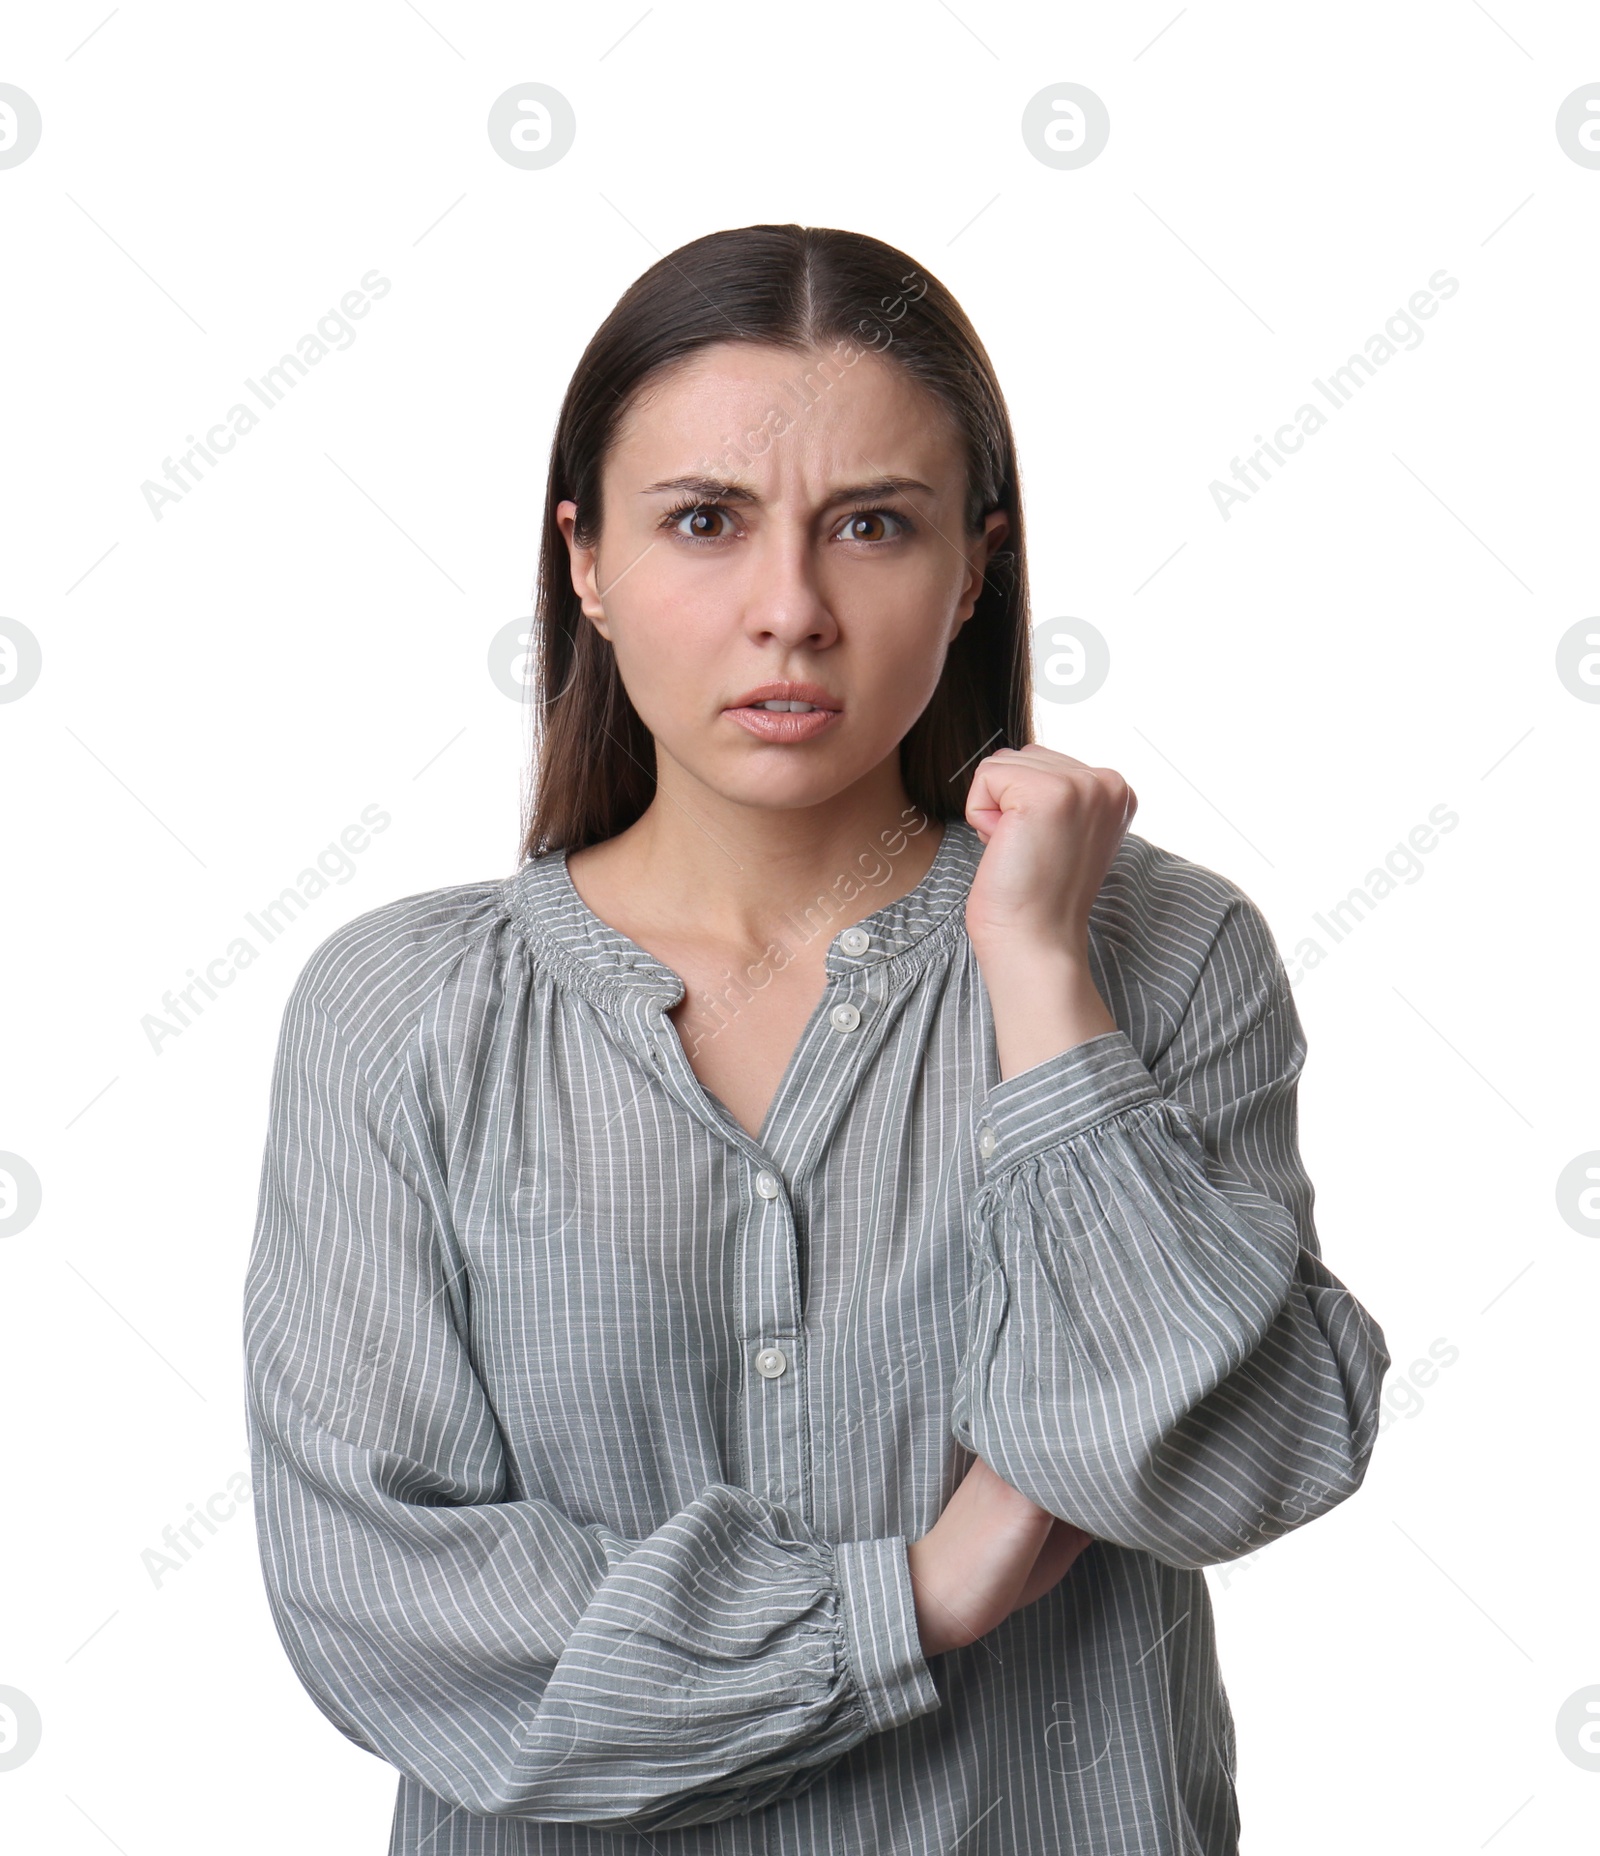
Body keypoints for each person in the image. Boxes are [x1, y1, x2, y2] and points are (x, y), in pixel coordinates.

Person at [242, 223, 1391, 1855]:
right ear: (584, 560)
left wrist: (1043, 983)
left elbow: (1230, 1470)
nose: (792, 610)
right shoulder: (402, 1015)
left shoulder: (1162, 953)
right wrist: (909, 1598)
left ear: (975, 565)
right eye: (704, 522)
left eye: (872, 525)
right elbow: (389, 1610)